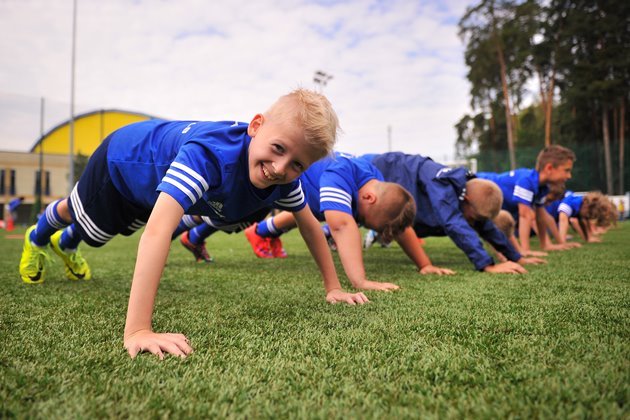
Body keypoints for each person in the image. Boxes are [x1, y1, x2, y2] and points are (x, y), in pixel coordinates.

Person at [19, 88, 369, 360]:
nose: (281, 168)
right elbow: (158, 231)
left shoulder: (282, 181)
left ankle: (65, 247)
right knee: (78, 214)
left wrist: (333, 287)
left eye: (297, 165)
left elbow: (307, 223)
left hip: (148, 187)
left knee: (97, 235)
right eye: (278, 148)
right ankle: (37, 237)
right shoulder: (209, 156)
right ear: (256, 126)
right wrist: (139, 330)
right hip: (123, 162)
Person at [241, 152, 419, 290]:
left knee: (311, 214)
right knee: (226, 216)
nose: (363, 223)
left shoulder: (374, 179)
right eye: (366, 221)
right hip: (268, 182)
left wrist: (424, 265)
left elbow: (395, 223)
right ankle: (254, 231)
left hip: (308, 200)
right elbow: (342, 225)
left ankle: (260, 232)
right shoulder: (340, 173)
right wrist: (360, 281)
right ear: (369, 198)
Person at [362, 152, 545, 274]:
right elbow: (453, 223)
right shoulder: (442, 187)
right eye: (473, 218)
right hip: (372, 167)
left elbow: (485, 225)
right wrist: (487, 265)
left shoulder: (463, 189)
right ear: (467, 201)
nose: (473, 222)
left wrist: (516, 257)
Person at [476, 145, 576, 254]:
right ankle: (523, 249)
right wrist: (525, 250)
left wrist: (548, 244)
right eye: (566, 170)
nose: (569, 176)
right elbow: (525, 215)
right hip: (478, 183)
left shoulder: (543, 187)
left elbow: (541, 215)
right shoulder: (527, 180)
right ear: (549, 168)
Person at [546, 191, 616, 244]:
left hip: (551, 219)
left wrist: (588, 238)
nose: (588, 217)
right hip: (543, 219)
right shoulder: (572, 202)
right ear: (586, 204)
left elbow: (583, 221)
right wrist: (562, 242)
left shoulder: (582, 206)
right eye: (589, 214)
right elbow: (563, 219)